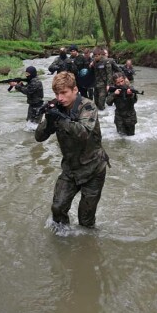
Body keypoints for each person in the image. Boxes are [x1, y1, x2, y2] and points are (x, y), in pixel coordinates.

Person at [35, 72, 109, 228]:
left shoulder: (88, 106)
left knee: (86, 220)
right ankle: (63, 241)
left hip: (94, 169)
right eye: (56, 93)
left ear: (75, 90)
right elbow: (39, 137)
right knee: (58, 208)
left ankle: (85, 246)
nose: (60, 97)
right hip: (70, 169)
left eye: (63, 93)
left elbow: (83, 133)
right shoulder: (56, 107)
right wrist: (49, 121)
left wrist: (60, 119)